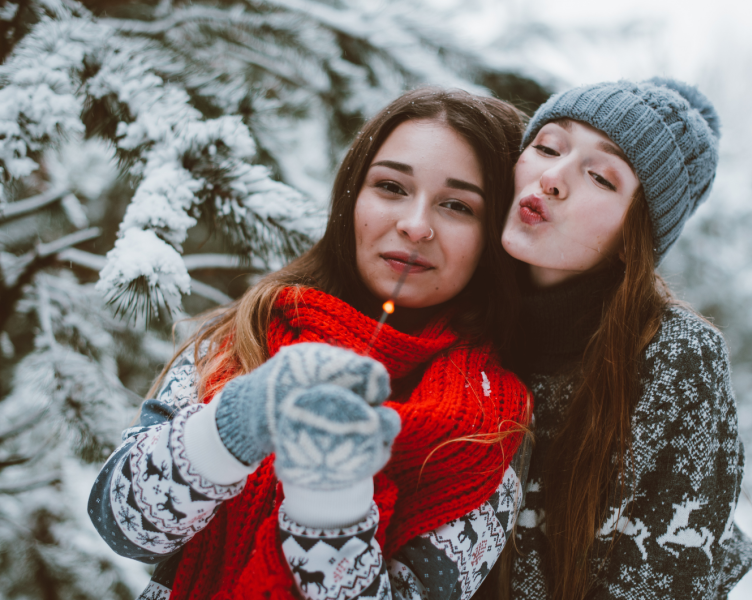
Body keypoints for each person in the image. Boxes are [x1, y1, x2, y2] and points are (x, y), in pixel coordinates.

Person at [88, 88, 533, 600]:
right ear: (352, 195)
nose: (414, 225)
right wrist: (232, 426)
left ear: (495, 231)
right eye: (391, 186)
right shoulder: (248, 334)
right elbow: (121, 524)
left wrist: (332, 496)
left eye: (457, 205)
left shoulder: (493, 422)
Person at [486, 78, 752, 600]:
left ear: (631, 240)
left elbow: (663, 579)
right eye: (546, 147)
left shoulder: (674, 357)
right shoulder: (458, 302)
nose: (552, 178)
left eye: (601, 178)